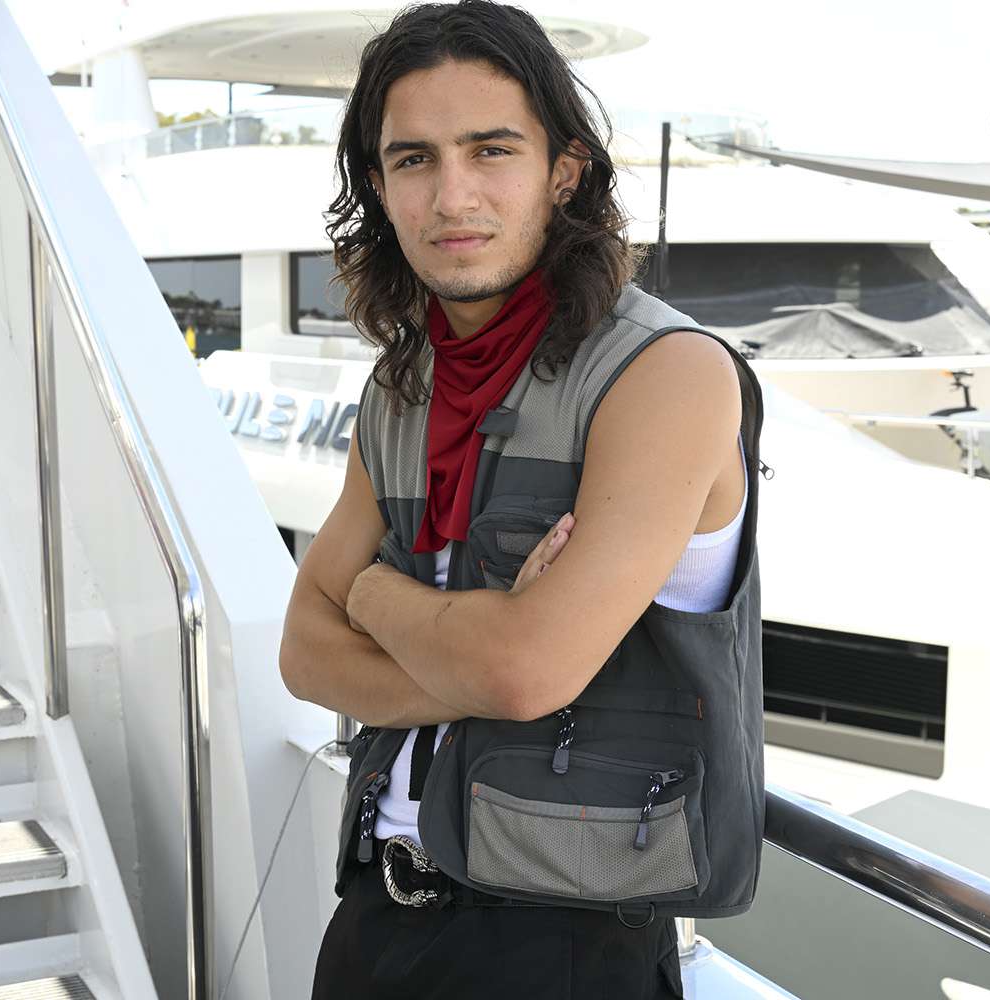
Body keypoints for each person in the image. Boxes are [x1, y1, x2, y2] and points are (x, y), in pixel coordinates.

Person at [278, 3, 766, 997]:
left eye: (490, 149)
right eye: (413, 160)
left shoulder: (665, 374)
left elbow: (523, 670)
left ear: (565, 171)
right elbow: (302, 651)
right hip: (375, 914)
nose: (452, 193)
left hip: (561, 946)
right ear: (379, 186)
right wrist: (481, 647)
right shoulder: (402, 387)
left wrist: (368, 595)